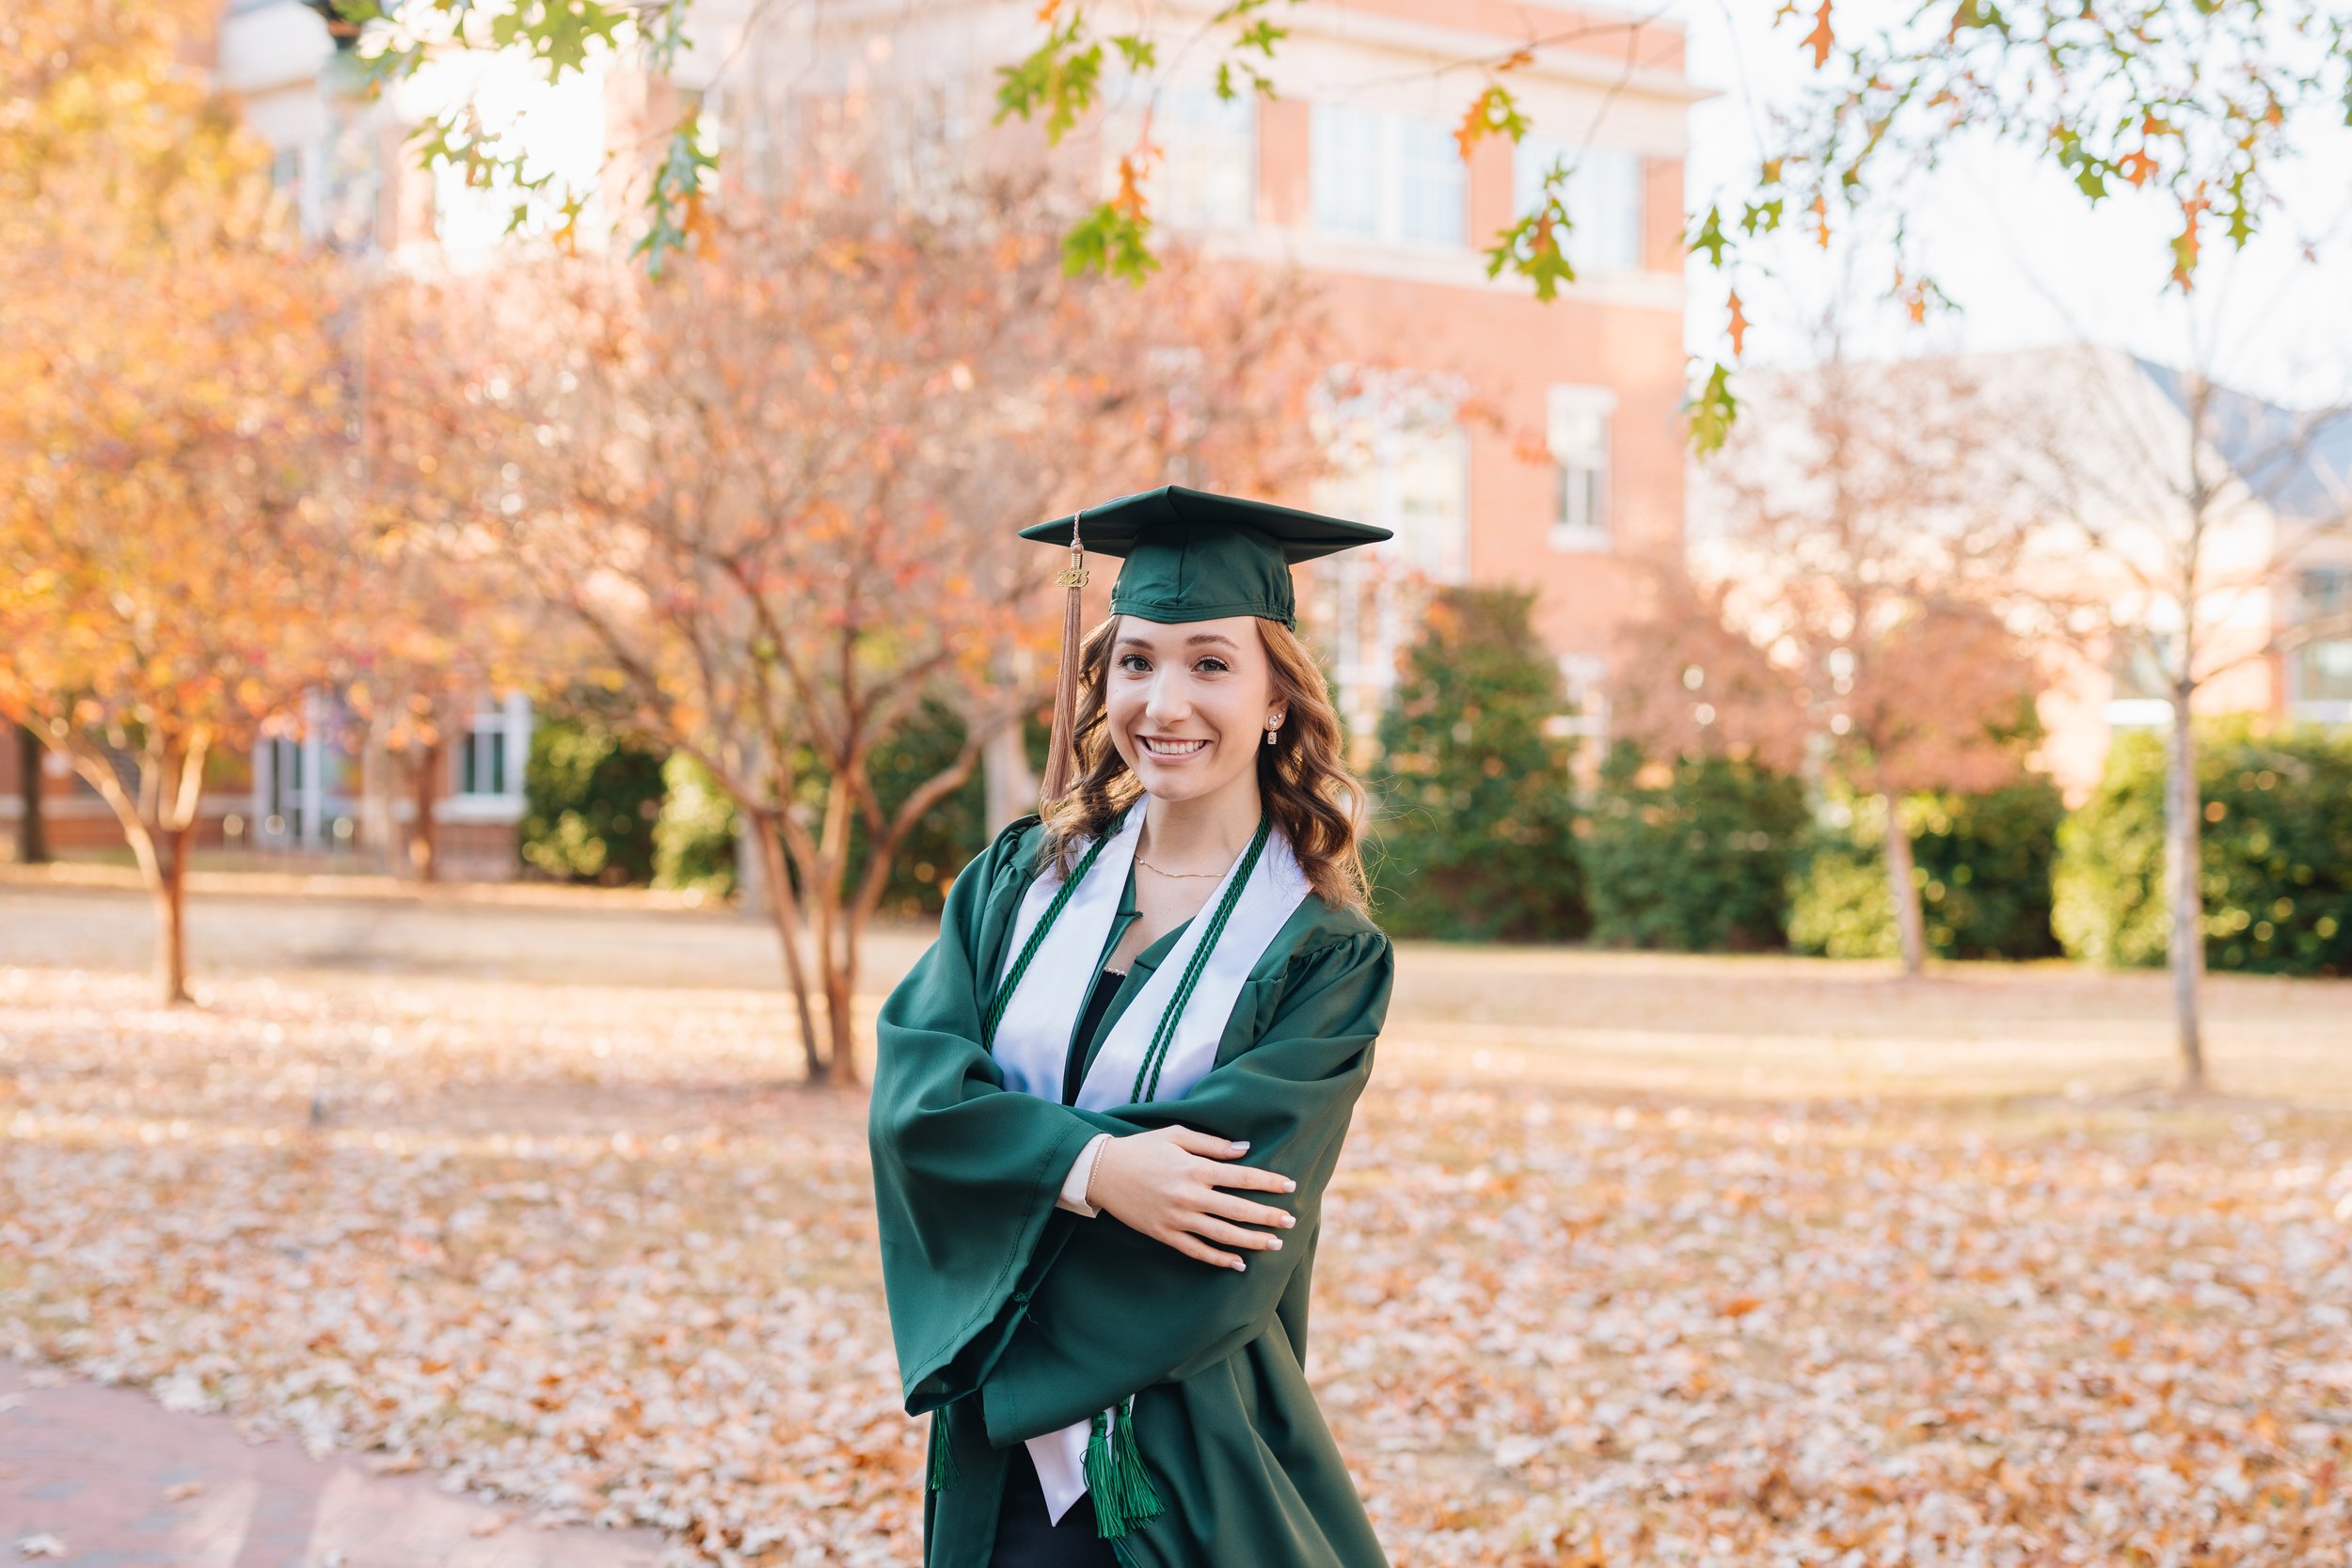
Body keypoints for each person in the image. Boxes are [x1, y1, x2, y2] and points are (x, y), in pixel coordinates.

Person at [868, 485, 1398, 1568]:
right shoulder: (1017, 881)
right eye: (1136, 661)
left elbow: (1231, 1226)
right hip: (996, 1456)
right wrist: (1098, 1168)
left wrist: (1015, 1167)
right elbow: (918, 1107)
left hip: (1185, 1453)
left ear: (1275, 701)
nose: (1165, 701)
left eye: (1210, 663)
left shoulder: (1324, 957)